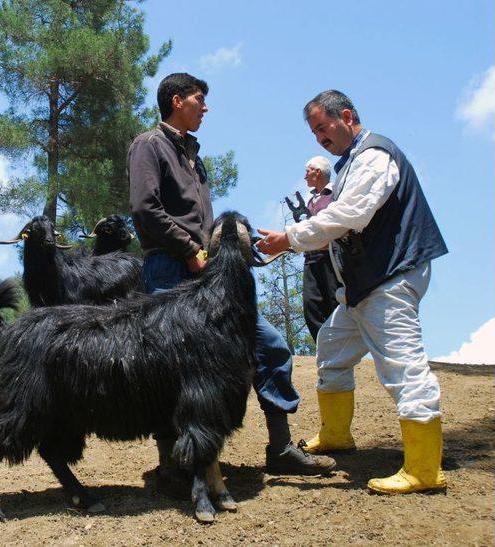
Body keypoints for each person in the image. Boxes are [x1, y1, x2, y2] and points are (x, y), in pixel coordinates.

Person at [127, 73, 335, 491]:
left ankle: (279, 449)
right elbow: (144, 208)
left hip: (208, 273)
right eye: (199, 100)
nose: (206, 108)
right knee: (170, 366)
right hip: (169, 270)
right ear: (176, 100)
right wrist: (189, 249)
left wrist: (235, 248)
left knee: (270, 344)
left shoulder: (194, 156)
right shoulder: (149, 145)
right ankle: (172, 464)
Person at [256, 90, 448, 494]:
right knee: (331, 348)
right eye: (314, 133)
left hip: (389, 279)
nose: (319, 139)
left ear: (346, 116)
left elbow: (351, 215)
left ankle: (424, 469)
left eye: (322, 128)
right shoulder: (351, 164)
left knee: (403, 366)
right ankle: (337, 435)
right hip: (362, 287)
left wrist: (290, 238)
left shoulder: (375, 156)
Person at [301, 156, 340, 342]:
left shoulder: (336, 194)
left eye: (307, 171)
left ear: (317, 172)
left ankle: (341, 349)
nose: (304, 177)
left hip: (330, 258)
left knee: (334, 303)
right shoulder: (310, 201)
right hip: (311, 258)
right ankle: (324, 347)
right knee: (311, 305)